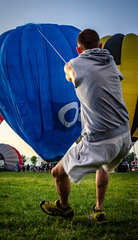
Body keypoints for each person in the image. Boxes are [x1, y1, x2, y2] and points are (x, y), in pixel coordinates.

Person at [40, 29, 132, 223]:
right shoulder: (110, 62)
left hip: (99, 140)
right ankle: (99, 209)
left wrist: (71, 66)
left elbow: (68, 75)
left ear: (78, 49)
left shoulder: (74, 65)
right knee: (104, 167)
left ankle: (64, 208)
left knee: (57, 172)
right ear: (100, 46)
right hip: (124, 137)